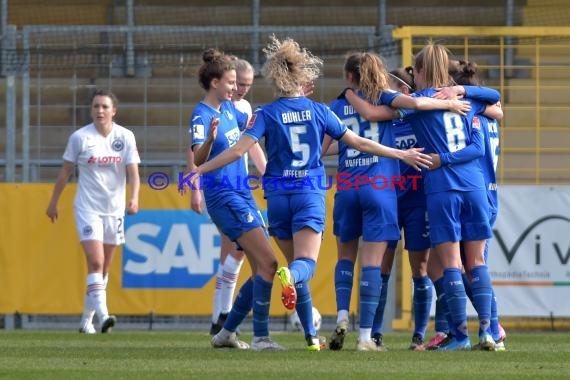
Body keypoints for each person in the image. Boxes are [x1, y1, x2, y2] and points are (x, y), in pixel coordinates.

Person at [189, 36, 433, 351]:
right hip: (308, 193)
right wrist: (401, 155)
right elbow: (358, 142)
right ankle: (287, 285)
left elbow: (238, 152)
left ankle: (305, 334)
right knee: (303, 265)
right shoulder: (318, 111)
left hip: (277, 196)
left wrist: (201, 169)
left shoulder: (265, 113)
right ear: (302, 76)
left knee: (279, 263)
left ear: (274, 77)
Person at [328, 58, 469, 352]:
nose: (395, 88)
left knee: (421, 268)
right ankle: (374, 332)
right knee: (381, 266)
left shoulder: (404, 113)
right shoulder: (390, 108)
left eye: (401, 85)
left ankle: (421, 333)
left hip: (414, 197)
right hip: (387, 194)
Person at [398, 42, 502, 351]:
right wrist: (462, 93)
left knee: (451, 265)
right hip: (475, 188)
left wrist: (442, 159)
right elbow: (493, 100)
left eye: (414, 74)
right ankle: (487, 333)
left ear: (418, 72)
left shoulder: (417, 100)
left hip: (443, 188)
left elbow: (387, 103)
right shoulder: (467, 101)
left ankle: (460, 335)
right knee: (478, 261)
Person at [184, 48, 280, 351]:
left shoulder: (231, 110)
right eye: (230, 82)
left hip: (244, 195)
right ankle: (259, 337)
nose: (235, 88)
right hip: (224, 198)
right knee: (269, 262)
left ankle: (226, 333)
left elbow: (255, 130)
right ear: (215, 83)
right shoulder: (202, 115)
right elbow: (197, 156)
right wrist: (210, 140)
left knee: (262, 267)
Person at [46, 89, 140, 334]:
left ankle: (86, 321)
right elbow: (65, 172)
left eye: (104, 107)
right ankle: (104, 316)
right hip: (88, 208)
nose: (99, 111)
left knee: (104, 269)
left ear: (113, 111)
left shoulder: (126, 137)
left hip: (115, 210)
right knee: (96, 261)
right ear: (91, 110)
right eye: (96, 107)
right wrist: (53, 202)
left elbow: (133, 173)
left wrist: (134, 199)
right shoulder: (80, 137)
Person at [432, 59, 506, 351]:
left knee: (461, 265)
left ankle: (489, 327)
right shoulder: (488, 114)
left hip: (469, 190)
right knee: (473, 266)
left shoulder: (467, 115)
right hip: (486, 194)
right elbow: (496, 104)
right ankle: (484, 329)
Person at [208, 56, 267, 336]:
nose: (243, 89)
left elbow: (250, 143)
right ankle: (222, 315)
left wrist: (265, 170)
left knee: (237, 254)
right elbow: (195, 149)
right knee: (238, 251)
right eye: (239, 83)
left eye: (247, 85)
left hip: (240, 186)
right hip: (222, 188)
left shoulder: (243, 107)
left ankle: (220, 316)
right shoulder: (215, 108)